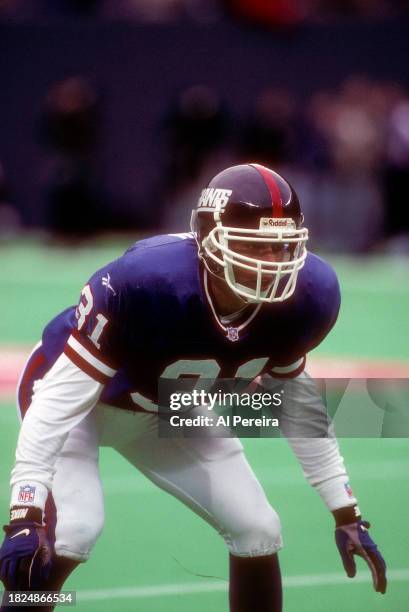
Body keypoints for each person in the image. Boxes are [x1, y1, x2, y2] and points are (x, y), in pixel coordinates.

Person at [0, 164, 386, 611]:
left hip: (171, 406)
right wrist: (23, 513)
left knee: (257, 527)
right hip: (82, 403)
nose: (271, 264)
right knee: (75, 529)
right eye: (250, 246)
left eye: (280, 247)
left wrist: (346, 511)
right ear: (207, 238)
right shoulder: (146, 281)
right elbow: (55, 406)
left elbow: (299, 410)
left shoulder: (308, 298)